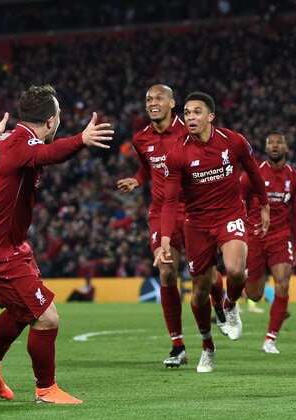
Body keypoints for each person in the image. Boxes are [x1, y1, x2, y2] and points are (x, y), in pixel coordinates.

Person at [0, 85, 113, 403]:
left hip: (9, 246)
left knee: (22, 311)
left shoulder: (1, 139)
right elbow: (48, 154)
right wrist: (81, 141)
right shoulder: (23, 144)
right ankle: (46, 389)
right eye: (59, 116)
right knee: (47, 317)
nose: (60, 120)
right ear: (49, 122)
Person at [156, 92, 269, 373]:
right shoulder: (177, 152)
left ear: (210, 117)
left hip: (230, 215)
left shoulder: (234, 141)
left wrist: (265, 204)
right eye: (187, 112)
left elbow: (254, 172)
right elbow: (170, 200)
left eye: (197, 112)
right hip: (196, 225)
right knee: (199, 292)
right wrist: (165, 238)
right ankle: (207, 347)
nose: (190, 117)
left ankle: (230, 305)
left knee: (235, 269)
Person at [117, 84, 227, 369]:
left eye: (159, 98)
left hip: (194, 210)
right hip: (160, 212)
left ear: (172, 103)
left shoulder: (189, 129)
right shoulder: (140, 139)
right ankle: (178, 345)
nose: (153, 103)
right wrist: (136, 180)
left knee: (207, 276)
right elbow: (147, 169)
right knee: (167, 271)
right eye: (148, 99)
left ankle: (220, 301)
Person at [241, 130, 296, 354]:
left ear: (286, 148)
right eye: (271, 143)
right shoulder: (252, 174)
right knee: (254, 294)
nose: (275, 146)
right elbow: (238, 200)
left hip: (280, 236)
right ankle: (231, 304)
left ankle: (270, 339)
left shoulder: (295, 178)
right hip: (256, 236)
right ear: (266, 149)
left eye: (279, 143)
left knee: (283, 283)